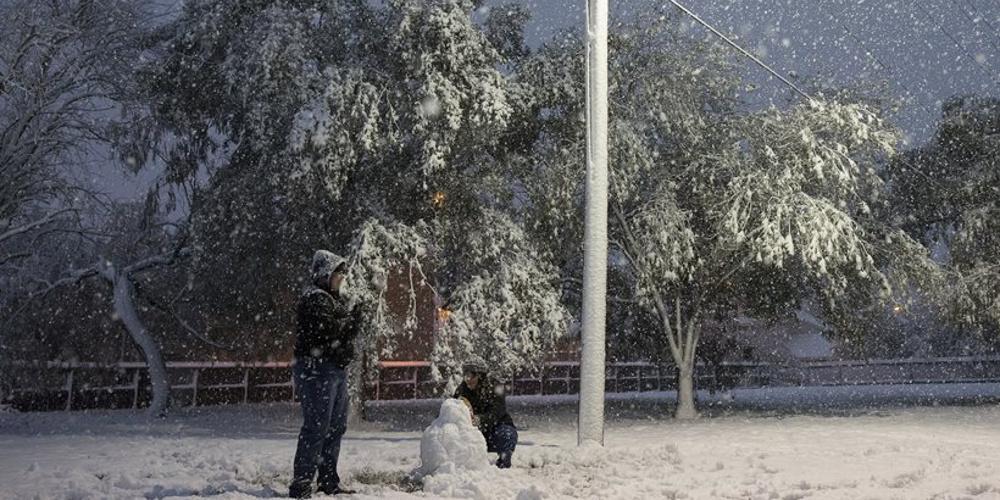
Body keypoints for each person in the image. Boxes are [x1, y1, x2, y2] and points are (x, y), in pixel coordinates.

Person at [289, 250, 363, 498]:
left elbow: (344, 335)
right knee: (317, 426)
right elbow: (330, 333)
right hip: (316, 370)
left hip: (334, 370)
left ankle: (328, 480)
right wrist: (352, 322)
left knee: (336, 426)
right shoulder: (316, 299)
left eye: (343, 272)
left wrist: (350, 324)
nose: (343, 277)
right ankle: (301, 484)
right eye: (338, 272)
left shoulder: (334, 300)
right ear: (325, 273)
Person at [452, 356, 518, 469]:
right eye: (465, 375)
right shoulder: (461, 391)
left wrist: (480, 420)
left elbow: (497, 412)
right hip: (474, 433)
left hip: (496, 428)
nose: (468, 379)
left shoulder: (495, 388)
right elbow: (453, 410)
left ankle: (504, 461)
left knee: (507, 434)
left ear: (480, 375)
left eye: (471, 375)